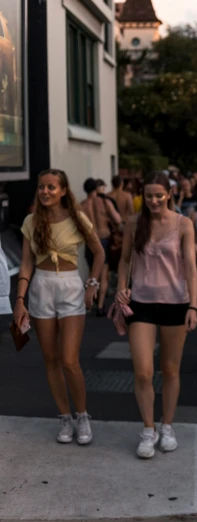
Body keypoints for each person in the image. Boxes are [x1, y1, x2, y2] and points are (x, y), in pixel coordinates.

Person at [14, 169, 106, 444]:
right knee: (51, 359)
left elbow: (99, 252)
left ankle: (82, 415)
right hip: (41, 286)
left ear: (63, 190)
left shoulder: (77, 218)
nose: (45, 192)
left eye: (51, 187)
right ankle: (65, 418)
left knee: (69, 360)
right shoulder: (31, 221)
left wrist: (93, 283)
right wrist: (20, 300)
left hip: (70, 286)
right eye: (42, 187)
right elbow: (27, 263)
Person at [115, 172, 197, 459]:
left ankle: (167, 426)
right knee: (143, 371)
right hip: (141, 303)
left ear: (169, 193)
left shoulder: (183, 223)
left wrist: (194, 305)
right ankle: (148, 429)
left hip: (176, 302)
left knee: (171, 370)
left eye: (158, 195)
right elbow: (125, 259)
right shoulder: (134, 223)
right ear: (143, 195)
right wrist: (121, 288)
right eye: (149, 195)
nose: (153, 200)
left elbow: (190, 265)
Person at [81, 178, 122, 316]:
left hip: (90, 241)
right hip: (103, 240)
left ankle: (91, 301)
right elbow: (117, 219)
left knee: (93, 273)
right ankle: (100, 306)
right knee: (103, 274)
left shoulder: (82, 206)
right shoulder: (104, 202)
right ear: (95, 189)